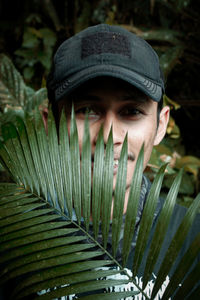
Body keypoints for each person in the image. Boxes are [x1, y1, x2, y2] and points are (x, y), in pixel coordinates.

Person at [46, 24, 200, 298]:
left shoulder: (194, 241)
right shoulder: (13, 241)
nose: (108, 137)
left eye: (131, 111)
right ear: (52, 125)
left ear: (161, 125)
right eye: (87, 111)